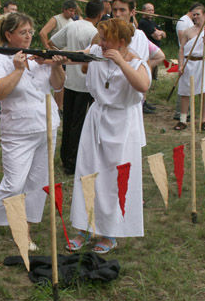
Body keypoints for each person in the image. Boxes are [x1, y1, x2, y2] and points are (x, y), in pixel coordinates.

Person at [0, 12, 65, 256]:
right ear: (9, 35)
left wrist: (56, 66)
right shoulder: (0, 60)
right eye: (23, 33)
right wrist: (17, 69)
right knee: (13, 184)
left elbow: (58, 86)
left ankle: (24, 232)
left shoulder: (39, 57)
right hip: (18, 130)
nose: (28, 37)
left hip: (47, 126)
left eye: (30, 32)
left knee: (38, 184)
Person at [67, 18, 150, 254]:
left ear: (121, 41)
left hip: (122, 124)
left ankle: (110, 233)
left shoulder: (136, 62)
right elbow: (76, 56)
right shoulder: (95, 52)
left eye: (105, 39)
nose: (100, 42)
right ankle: (83, 228)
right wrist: (52, 58)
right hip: (96, 118)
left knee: (115, 177)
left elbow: (142, 86)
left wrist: (121, 62)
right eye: (100, 38)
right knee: (88, 172)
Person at [49, 0, 104, 175]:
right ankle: (71, 163)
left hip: (71, 81)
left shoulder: (72, 25)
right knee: (78, 124)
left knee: (69, 122)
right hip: (83, 83)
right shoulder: (94, 32)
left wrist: (63, 58)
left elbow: (53, 41)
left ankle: (66, 157)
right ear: (101, 14)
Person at [111, 0, 165, 114]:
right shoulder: (104, 35)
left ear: (132, 12)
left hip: (131, 98)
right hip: (109, 97)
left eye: (122, 10)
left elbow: (156, 57)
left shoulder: (140, 36)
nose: (118, 14)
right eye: (115, 10)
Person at [174, 4, 205, 131]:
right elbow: (181, 49)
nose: (195, 17)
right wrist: (181, 65)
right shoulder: (188, 31)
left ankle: (203, 120)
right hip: (189, 63)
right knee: (185, 92)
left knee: (204, 92)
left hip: (203, 63)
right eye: (194, 14)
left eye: (198, 14)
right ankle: (182, 120)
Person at [39, 0, 76, 114]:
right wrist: (48, 49)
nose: (72, 13)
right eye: (70, 11)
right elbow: (43, 32)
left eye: (74, 11)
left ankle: (60, 107)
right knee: (58, 85)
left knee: (64, 83)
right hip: (56, 56)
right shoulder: (56, 19)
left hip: (66, 56)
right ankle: (57, 108)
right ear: (64, 10)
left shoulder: (72, 21)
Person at [173, 2, 202, 121]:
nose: (196, 17)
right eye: (195, 13)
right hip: (186, 56)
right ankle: (180, 112)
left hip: (195, 59)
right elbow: (183, 40)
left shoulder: (191, 22)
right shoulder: (183, 21)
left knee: (193, 86)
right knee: (184, 87)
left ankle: (188, 111)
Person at [138, 2, 166, 81]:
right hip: (148, 50)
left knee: (152, 73)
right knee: (159, 58)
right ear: (143, 11)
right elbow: (157, 37)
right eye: (149, 10)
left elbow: (164, 34)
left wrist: (160, 32)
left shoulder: (153, 23)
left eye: (152, 10)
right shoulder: (143, 22)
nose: (151, 12)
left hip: (153, 50)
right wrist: (160, 33)